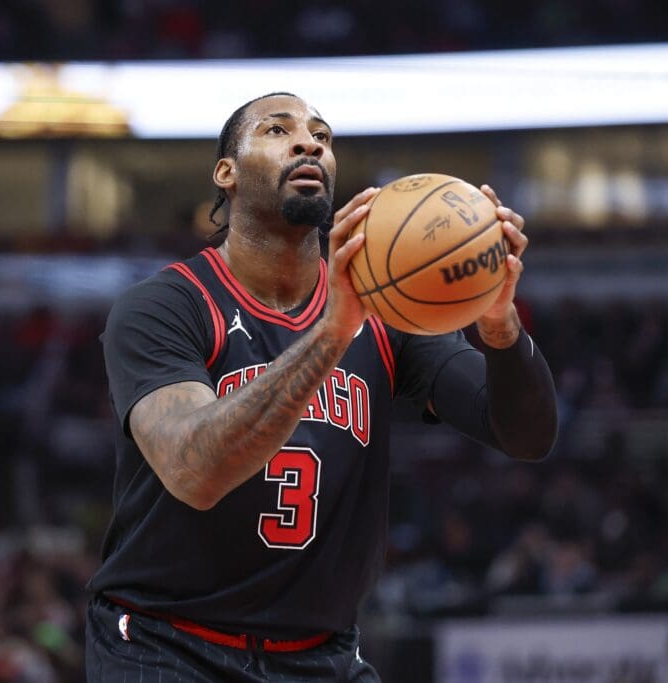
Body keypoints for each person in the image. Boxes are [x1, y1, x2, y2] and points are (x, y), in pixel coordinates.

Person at [86, 92, 558, 681]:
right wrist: (334, 331)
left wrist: (498, 323)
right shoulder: (165, 305)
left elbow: (526, 435)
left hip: (320, 653)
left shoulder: (386, 312)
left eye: (322, 136)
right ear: (225, 173)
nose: (309, 142)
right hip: (165, 645)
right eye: (277, 131)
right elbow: (194, 470)